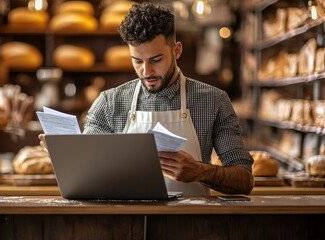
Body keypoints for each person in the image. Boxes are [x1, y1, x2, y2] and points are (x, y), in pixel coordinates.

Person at [40, 2, 254, 196]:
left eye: (156, 59)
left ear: (176, 50)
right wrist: (68, 159)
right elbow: (87, 178)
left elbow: (244, 181)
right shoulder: (109, 103)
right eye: (137, 61)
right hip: (125, 226)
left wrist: (199, 171)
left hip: (190, 225)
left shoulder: (213, 101)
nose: (146, 71)